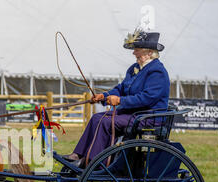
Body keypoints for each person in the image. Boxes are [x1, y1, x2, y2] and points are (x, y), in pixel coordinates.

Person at [63, 29, 170, 167]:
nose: (134, 52)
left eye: (137, 49)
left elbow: (147, 98)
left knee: (106, 123)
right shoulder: (135, 68)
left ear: (150, 52)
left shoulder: (157, 71)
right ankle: (78, 155)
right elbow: (122, 88)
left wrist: (120, 101)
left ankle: (93, 163)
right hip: (134, 115)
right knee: (96, 118)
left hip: (147, 118)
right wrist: (104, 96)